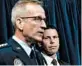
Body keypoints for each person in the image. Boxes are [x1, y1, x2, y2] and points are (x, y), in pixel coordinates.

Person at [0, 0, 46, 65]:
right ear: (20, 23)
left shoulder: (38, 56)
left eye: (44, 20)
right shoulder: (2, 54)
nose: (44, 25)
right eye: (37, 19)